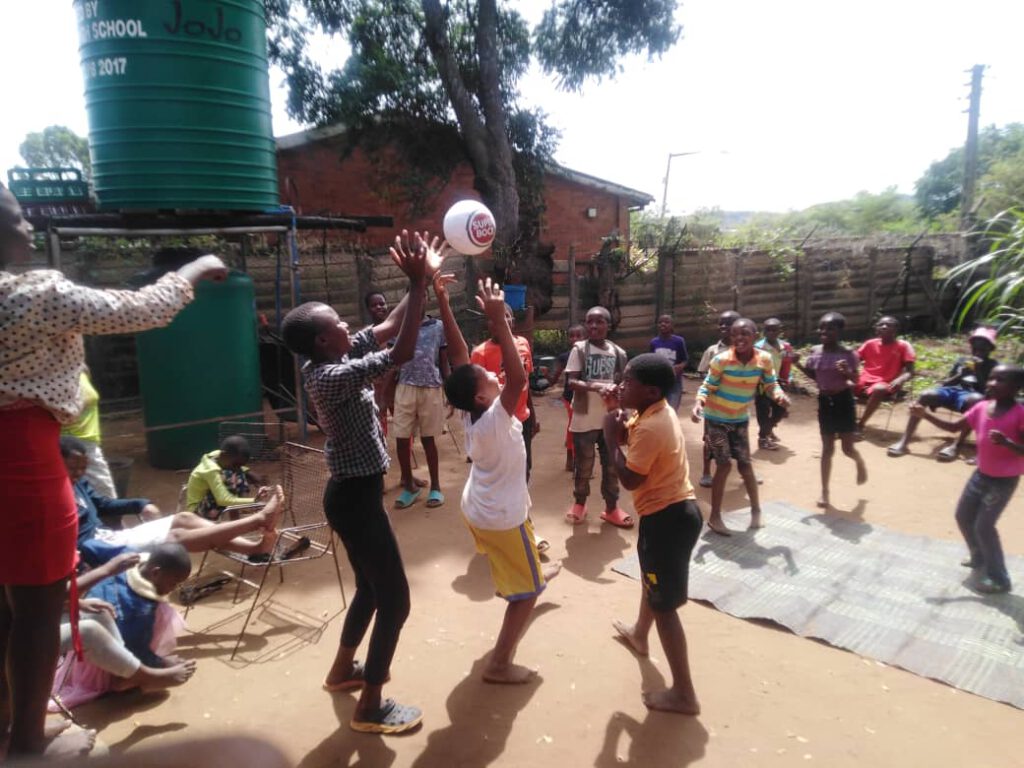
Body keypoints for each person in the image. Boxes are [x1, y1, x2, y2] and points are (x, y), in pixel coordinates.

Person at [0, 184, 226, 758]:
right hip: (22, 462)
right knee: (33, 612)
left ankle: (12, 726)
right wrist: (195, 267)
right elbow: (138, 309)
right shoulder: (32, 295)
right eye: (19, 216)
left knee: (8, 609)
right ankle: (26, 741)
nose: (28, 226)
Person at [280, 229, 441, 735]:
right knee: (395, 599)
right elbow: (405, 347)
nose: (350, 324)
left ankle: (341, 672)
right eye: (338, 323)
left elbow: (391, 326)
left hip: (352, 496)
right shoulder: (331, 376)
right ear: (324, 341)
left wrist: (421, 281)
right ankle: (371, 704)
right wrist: (417, 283)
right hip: (355, 501)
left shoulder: (335, 358)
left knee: (371, 590)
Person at [441, 276, 561, 683]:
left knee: (519, 539)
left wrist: (443, 299)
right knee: (527, 595)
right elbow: (521, 380)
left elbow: (460, 357)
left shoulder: (472, 408)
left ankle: (525, 568)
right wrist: (501, 321)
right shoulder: (495, 416)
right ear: (481, 396)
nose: (495, 376)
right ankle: (499, 664)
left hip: (481, 506)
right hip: (499, 514)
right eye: (487, 379)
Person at [603, 354, 703, 714]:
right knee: (652, 582)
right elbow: (635, 429)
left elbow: (630, 479)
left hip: (667, 521)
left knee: (665, 607)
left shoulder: (651, 426)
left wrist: (610, 439)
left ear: (651, 390)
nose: (621, 384)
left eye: (627, 382)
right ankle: (640, 635)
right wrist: (618, 412)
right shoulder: (656, 411)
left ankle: (685, 694)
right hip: (673, 515)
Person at [63, 436, 284, 562]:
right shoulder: (54, 496)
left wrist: (142, 504)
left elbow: (102, 505)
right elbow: (223, 498)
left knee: (185, 519)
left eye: (83, 468)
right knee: (174, 537)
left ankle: (255, 548)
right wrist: (254, 503)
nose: (80, 474)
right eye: (74, 468)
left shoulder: (78, 483)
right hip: (94, 546)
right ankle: (258, 519)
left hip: (106, 536)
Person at [911, 365, 1024, 594]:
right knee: (963, 516)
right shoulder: (981, 407)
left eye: (1000, 380)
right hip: (981, 474)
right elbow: (954, 427)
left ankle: (1000, 578)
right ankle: (978, 555)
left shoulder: (1020, 414)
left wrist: (1007, 443)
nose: (992, 383)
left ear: (1016, 388)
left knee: (984, 526)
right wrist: (925, 415)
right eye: (991, 378)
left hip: (1003, 480)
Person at [54, 552, 197, 710]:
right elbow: (132, 648)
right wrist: (161, 662)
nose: (174, 589)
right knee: (161, 614)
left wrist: (79, 603)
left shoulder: (124, 572)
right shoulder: (141, 611)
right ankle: (137, 677)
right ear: (155, 573)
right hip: (103, 663)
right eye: (174, 583)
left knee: (100, 616)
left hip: (83, 650)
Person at [692, 318, 789, 534]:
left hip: (739, 420)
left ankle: (756, 510)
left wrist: (780, 397)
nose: (739, 338)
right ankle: (715, 517)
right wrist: (698, 403)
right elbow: (707, 385)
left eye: (745, 333)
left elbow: (771, 384)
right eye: (735, 334)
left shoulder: (763, 359)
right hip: (716, 419)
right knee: (724, 465)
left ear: (755, 336)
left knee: (745, 465)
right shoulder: (722, 359)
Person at [564, 306, 632, 528]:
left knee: (612, 464)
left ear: (608, 325)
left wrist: (620, 397)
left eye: (599, 321)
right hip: (584, 419)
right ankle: (579, 504)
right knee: (583, 465)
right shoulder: (579, 350)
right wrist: (597, 387)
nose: (593, 326)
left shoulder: (619, 353)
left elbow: (623, 383)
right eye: (589, 321)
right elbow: (572, 382)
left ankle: (612, 508)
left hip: (609, 419)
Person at [887, 327, 999, 461]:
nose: (978, 351)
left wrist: (978, 372)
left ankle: (957, 445)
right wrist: (959, 375)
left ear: (990, 349)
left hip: (972, 394)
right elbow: (946, 383)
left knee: (976, 401)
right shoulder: (962, 360)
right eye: (975, 347)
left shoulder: (994, 366)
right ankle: (904, 441)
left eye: (982, 348)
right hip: (952, 390)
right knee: (926, 395)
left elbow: (987, 390)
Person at [795, 312, 868, 509]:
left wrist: (847, 372)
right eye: (822, 327)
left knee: (847, 448)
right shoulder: (815, 351)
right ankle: (825, 492)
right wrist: (796, 363)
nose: (824, 331)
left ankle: (859, 460)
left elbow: (856, 381)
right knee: (827, 449)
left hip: (844, 401)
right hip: (825, 402)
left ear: (840, 331)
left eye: (830, 328)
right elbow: (813, 375)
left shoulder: (848, 354)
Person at [393, 311, 448, 509]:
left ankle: (436, 487)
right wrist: (386, 395)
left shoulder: (437, 326)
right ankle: (409, 486)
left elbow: (443, 359)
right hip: (404, 386)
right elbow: (392, 360)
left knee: (428, 439)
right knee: (401, 438)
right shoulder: (400, 325)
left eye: (423, 294)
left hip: (431, 386)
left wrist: (448, 389)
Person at [696, 310, 740, 487]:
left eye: (728, 323)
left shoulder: (744, 351)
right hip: (715, 405)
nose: (723, 327)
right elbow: (702, 373)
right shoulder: (712, 351)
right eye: (721, 323)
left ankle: (745, 469)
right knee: (709, 439)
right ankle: (706, 471)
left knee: (739, 438)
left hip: (737, 405)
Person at [61, 370, 119, 498]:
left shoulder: (80, 371)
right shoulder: (56, 374)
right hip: (74, 443)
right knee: (105, 494)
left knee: (101, 494)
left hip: (89, 443)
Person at [855, 315, 915, 434]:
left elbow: (910, 371)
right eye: (881, 325)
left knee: (879, 388)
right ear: (876, 329)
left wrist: (901, 379)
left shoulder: (903, 346)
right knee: (842, 383)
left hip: (886, 383)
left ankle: (860, 424)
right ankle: (844, 422)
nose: (884, 327)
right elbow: (855, 359)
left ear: (896, 329)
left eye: (888, 325)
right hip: (863, 380)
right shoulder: (869, 344)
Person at [185, 435, 266, 520]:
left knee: (237, 474)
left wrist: (248, 472)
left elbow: (237, 467)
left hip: (210, 499)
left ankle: (237, 515)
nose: (237, 468)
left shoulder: (218, 455)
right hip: (197, 511)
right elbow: (223, 500)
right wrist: (254, 501)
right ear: (224, 455)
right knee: (232, 477)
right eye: (235, 464)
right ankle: (242, 508)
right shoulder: (211, 470)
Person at [753, 317, 795, 450]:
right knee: (763, 410)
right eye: (768, 330)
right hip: (761, 384)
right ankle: (763, 438)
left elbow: (787, 365)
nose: (771, 332)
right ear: (763, 332)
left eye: (774, 330)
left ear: (779, 331)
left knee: (780, 409)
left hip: (779, 383)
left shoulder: (786, 347)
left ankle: (768, 429)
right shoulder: (758, 348)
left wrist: (787, 380)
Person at [551, 324, 586, 472]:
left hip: (586, 397)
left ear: (585, 338)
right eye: (572, 336)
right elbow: (553, 379)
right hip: (570, 397)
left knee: (581, 428)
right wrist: (546, 375)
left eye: (579, 336)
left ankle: (574, 459)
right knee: (575, 428)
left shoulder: (589, 355)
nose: (575, 339)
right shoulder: (564, 357)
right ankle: (572, 460)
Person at [649, 314, 689, 411]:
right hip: (659, 382)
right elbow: (650, 360)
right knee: (658, 409)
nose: (663, 324)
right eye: (660, 322)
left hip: (674, 382)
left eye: (666, 322)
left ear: (672, 325)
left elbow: (685, 360)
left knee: (672, 409)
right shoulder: (654, 342)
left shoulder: (679, 341)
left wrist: (679, 367)